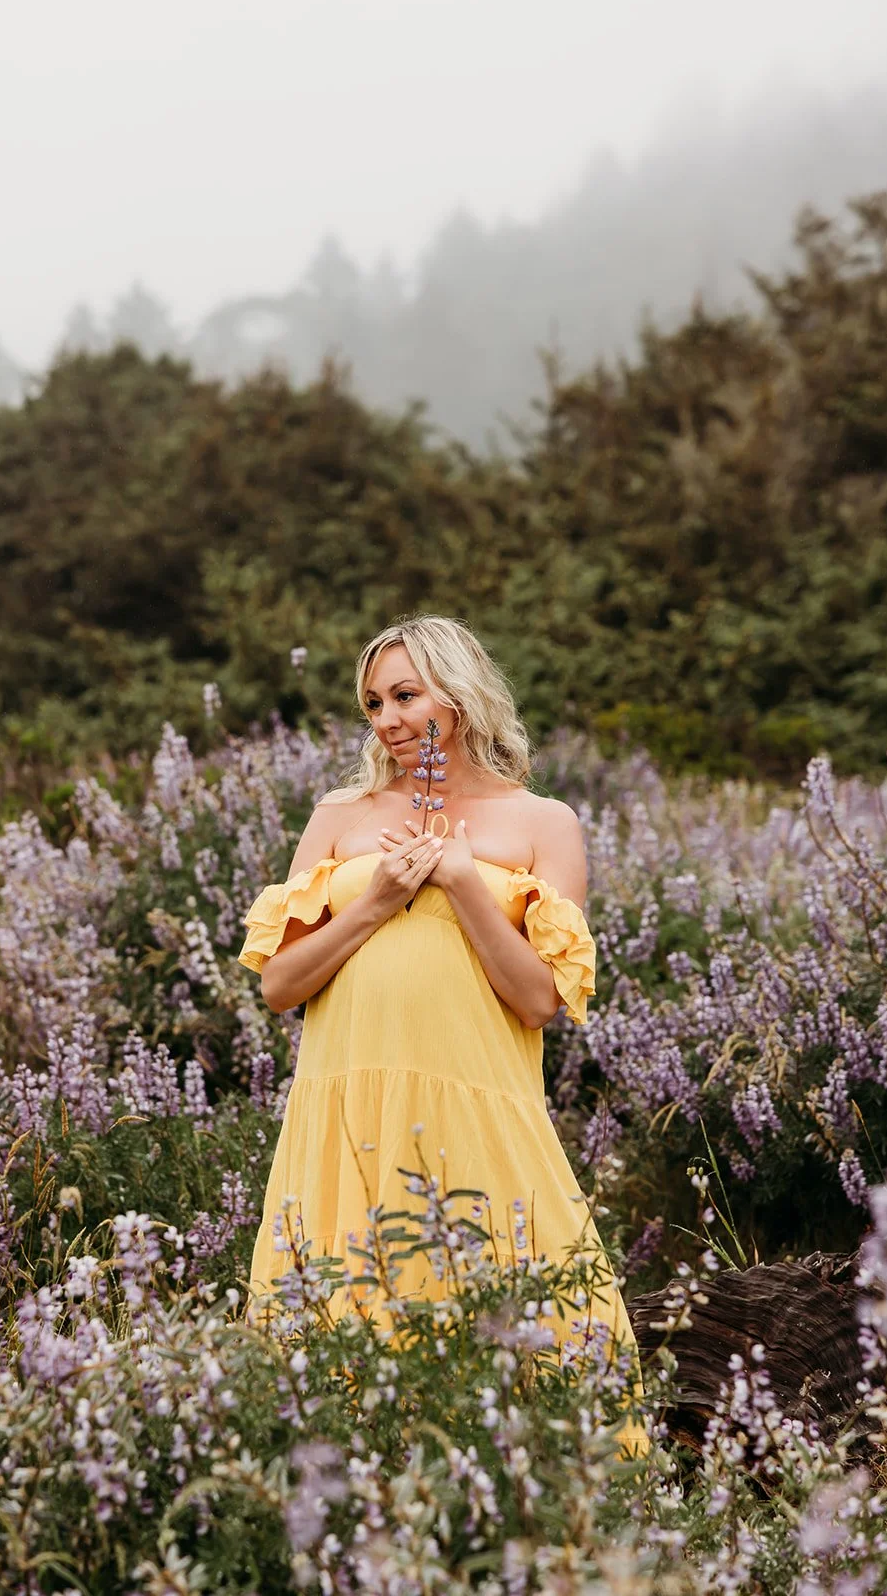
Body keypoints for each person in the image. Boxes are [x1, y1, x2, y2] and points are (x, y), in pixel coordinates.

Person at [237, 614, 646, 1447]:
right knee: (338, 1310)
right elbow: (279, 985)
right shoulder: (340, 813)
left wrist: (462, 881)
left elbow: (538, 1001)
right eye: (372, 703)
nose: (386, 719)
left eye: (404, 695)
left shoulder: (543, 823)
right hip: (346, 1108)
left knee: (505, 1309)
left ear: (457, 696)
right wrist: (377, 901)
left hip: (475, 1104)